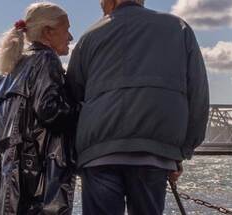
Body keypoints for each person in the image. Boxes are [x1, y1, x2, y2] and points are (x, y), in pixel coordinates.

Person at [66, 0, 209, 214]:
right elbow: (198, 95)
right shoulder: (178, 29)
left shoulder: (89, 36)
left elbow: (72, 97)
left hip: (98, 153)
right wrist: (182, 151)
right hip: (153, 154)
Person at [0, 2, 79, 214]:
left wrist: (10, 130)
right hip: (34, 174)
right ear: (48, 32)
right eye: (66, 29)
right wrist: (85, 108)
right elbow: (51, 112)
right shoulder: (47, 59)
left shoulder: (17, 63)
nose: (70, 37)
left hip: (4, 169)